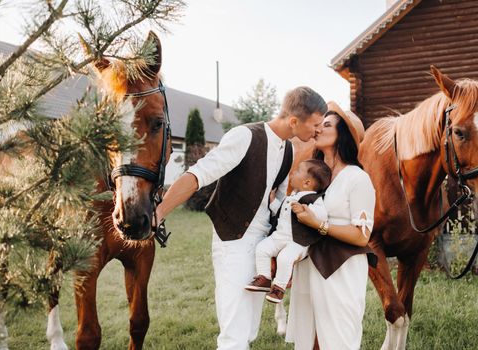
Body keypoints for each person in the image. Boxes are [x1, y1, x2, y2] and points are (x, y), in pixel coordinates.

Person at [155, 87, 327, 350]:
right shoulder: (245, 136)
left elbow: (278, 205)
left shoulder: (289, 151)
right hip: (233, 241)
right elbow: (197, 176)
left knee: (249, 329)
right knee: (234, 332)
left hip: (261, 247)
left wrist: (280, 248)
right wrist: (158, 213)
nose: (317, 131)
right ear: (294, 121)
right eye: (315, 124)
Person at [286, 101, 376, 350]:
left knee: (338, 339)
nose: (318, 129)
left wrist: (320, 225)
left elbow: (362, 236)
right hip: (311, 265)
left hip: (341, 270)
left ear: (342, 136)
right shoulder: (317, 177)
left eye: (327, 125)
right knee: (310, 338)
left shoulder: (357, 178)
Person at [245, 159, 331, 304]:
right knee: (262, 248)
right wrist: (273, 202)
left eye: (297, 171)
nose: (293, 173)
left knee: (285, 258)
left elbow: (322, 215)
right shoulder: (291, 196)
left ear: (307, 183)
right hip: (279, 236)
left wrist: (305, 209)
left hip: (297, 241)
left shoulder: (314, 199)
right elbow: (281, 212)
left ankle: (279, 288)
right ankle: (264, 278)